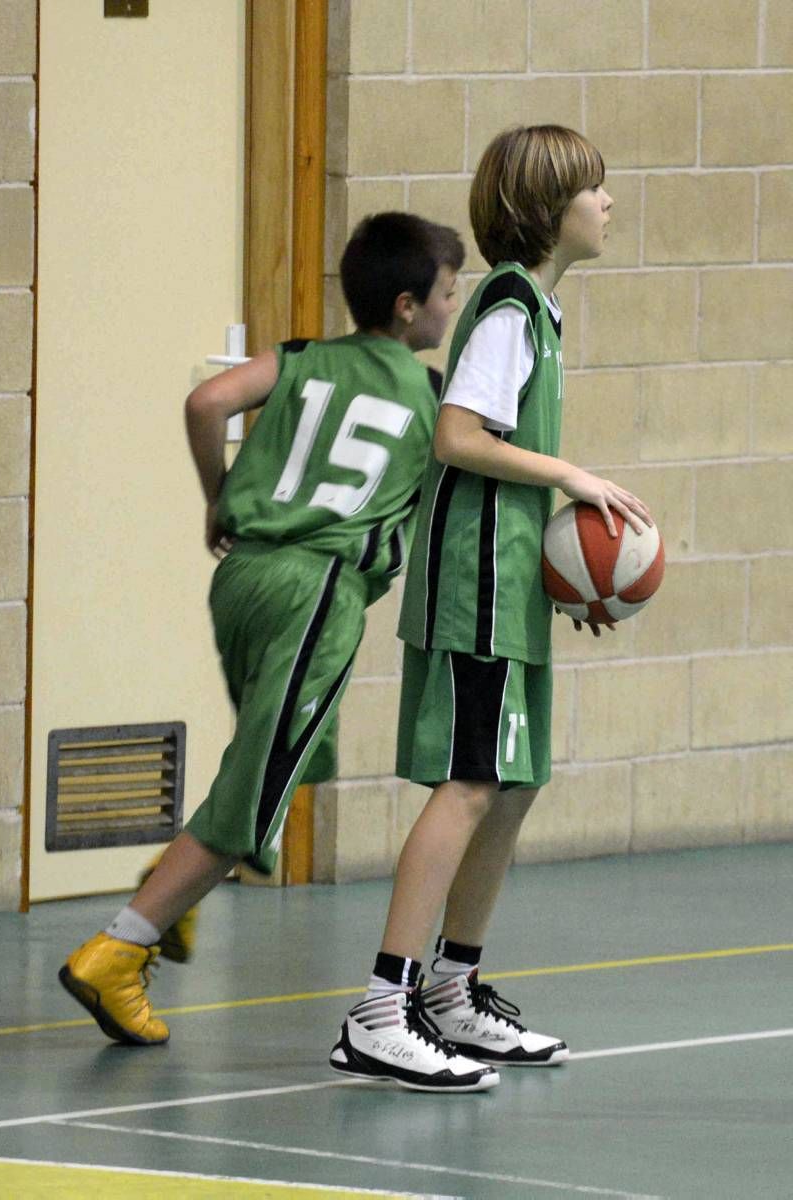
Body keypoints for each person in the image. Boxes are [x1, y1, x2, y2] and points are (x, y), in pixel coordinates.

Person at [58, 212, 483, 1067]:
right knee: (259, 789)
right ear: (407, 309)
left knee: (288, 760)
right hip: (315, 589)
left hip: (243, 577)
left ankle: (169, 890)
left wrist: (218, 494)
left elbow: (206, 400)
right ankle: (119, 948)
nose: (452, 305)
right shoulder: (428, 396)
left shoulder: (300, 358)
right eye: (446, 293)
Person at [329, 126, 653, 1093]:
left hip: (509, 581)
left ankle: (451, 990)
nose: (608, 203)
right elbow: (459, 436)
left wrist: (572, 572)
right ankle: (381, 1008)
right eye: (593, 189)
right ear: (551, 207)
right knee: (470, 782)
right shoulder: (510, 305)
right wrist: (574, 478)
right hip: (474, 583)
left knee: (511, 783)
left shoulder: (539, 313)